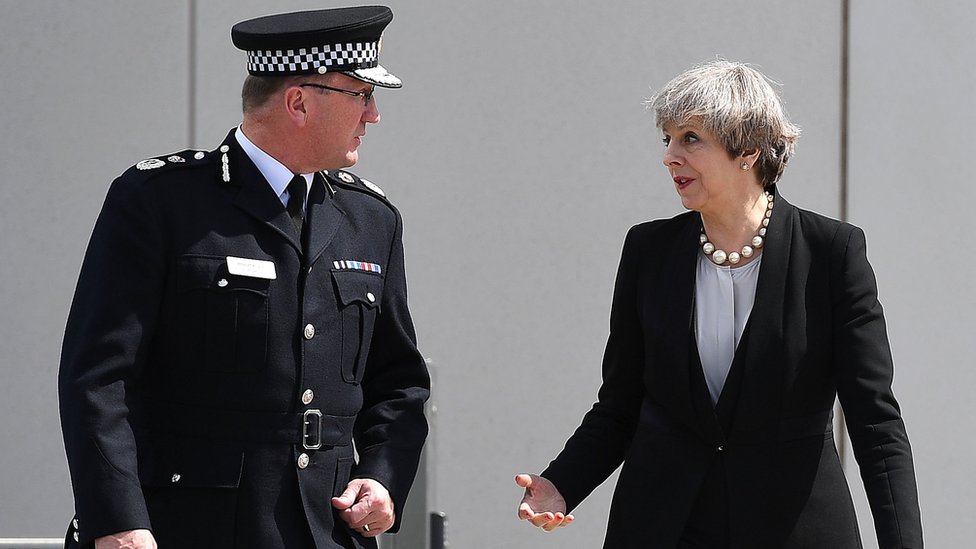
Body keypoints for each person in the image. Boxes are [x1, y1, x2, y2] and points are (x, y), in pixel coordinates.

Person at [58, 6, 429, 549]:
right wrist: (116, 520)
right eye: (361, 94)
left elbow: (398, 382)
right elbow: (99, 378)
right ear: (299, 101)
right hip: (187, 529)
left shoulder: (371, 219)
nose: (373, 115)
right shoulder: (160, 201)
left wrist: (381, 477)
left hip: (325, 531)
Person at [515, 60, 922, 548]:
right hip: (664, 527)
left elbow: (874, 420)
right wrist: (560, 485)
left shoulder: (833, 253)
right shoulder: (648, 251)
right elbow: (620, 405)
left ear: (747, 149)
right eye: (667, 139)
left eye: (690, 138)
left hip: (795, 528)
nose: (670, 156)